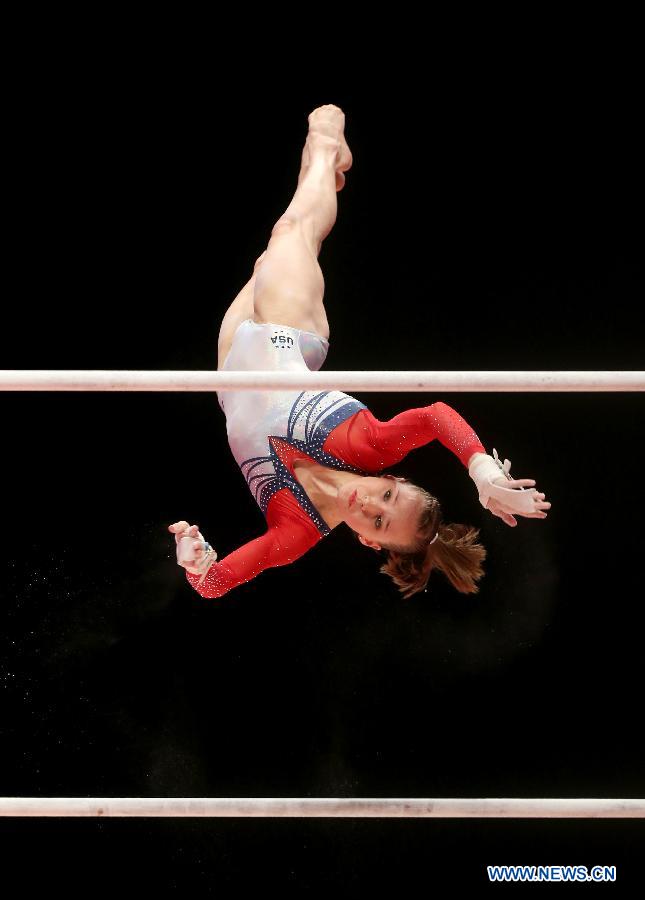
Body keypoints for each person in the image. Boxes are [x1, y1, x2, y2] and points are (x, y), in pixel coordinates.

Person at [168, 105, 550, 600]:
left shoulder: (295, 531)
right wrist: (481, 469)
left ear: (369, 541)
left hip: (231, 363)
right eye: (388, 495)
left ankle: (320, 170)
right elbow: (435, 416)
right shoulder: (366, 445)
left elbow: (216, 584)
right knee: (292, 233)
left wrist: (198, 561)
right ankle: (327, 144)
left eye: (379, 521)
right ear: (390, 476)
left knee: (272, 253)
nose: (371, 503)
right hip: (289, 328)